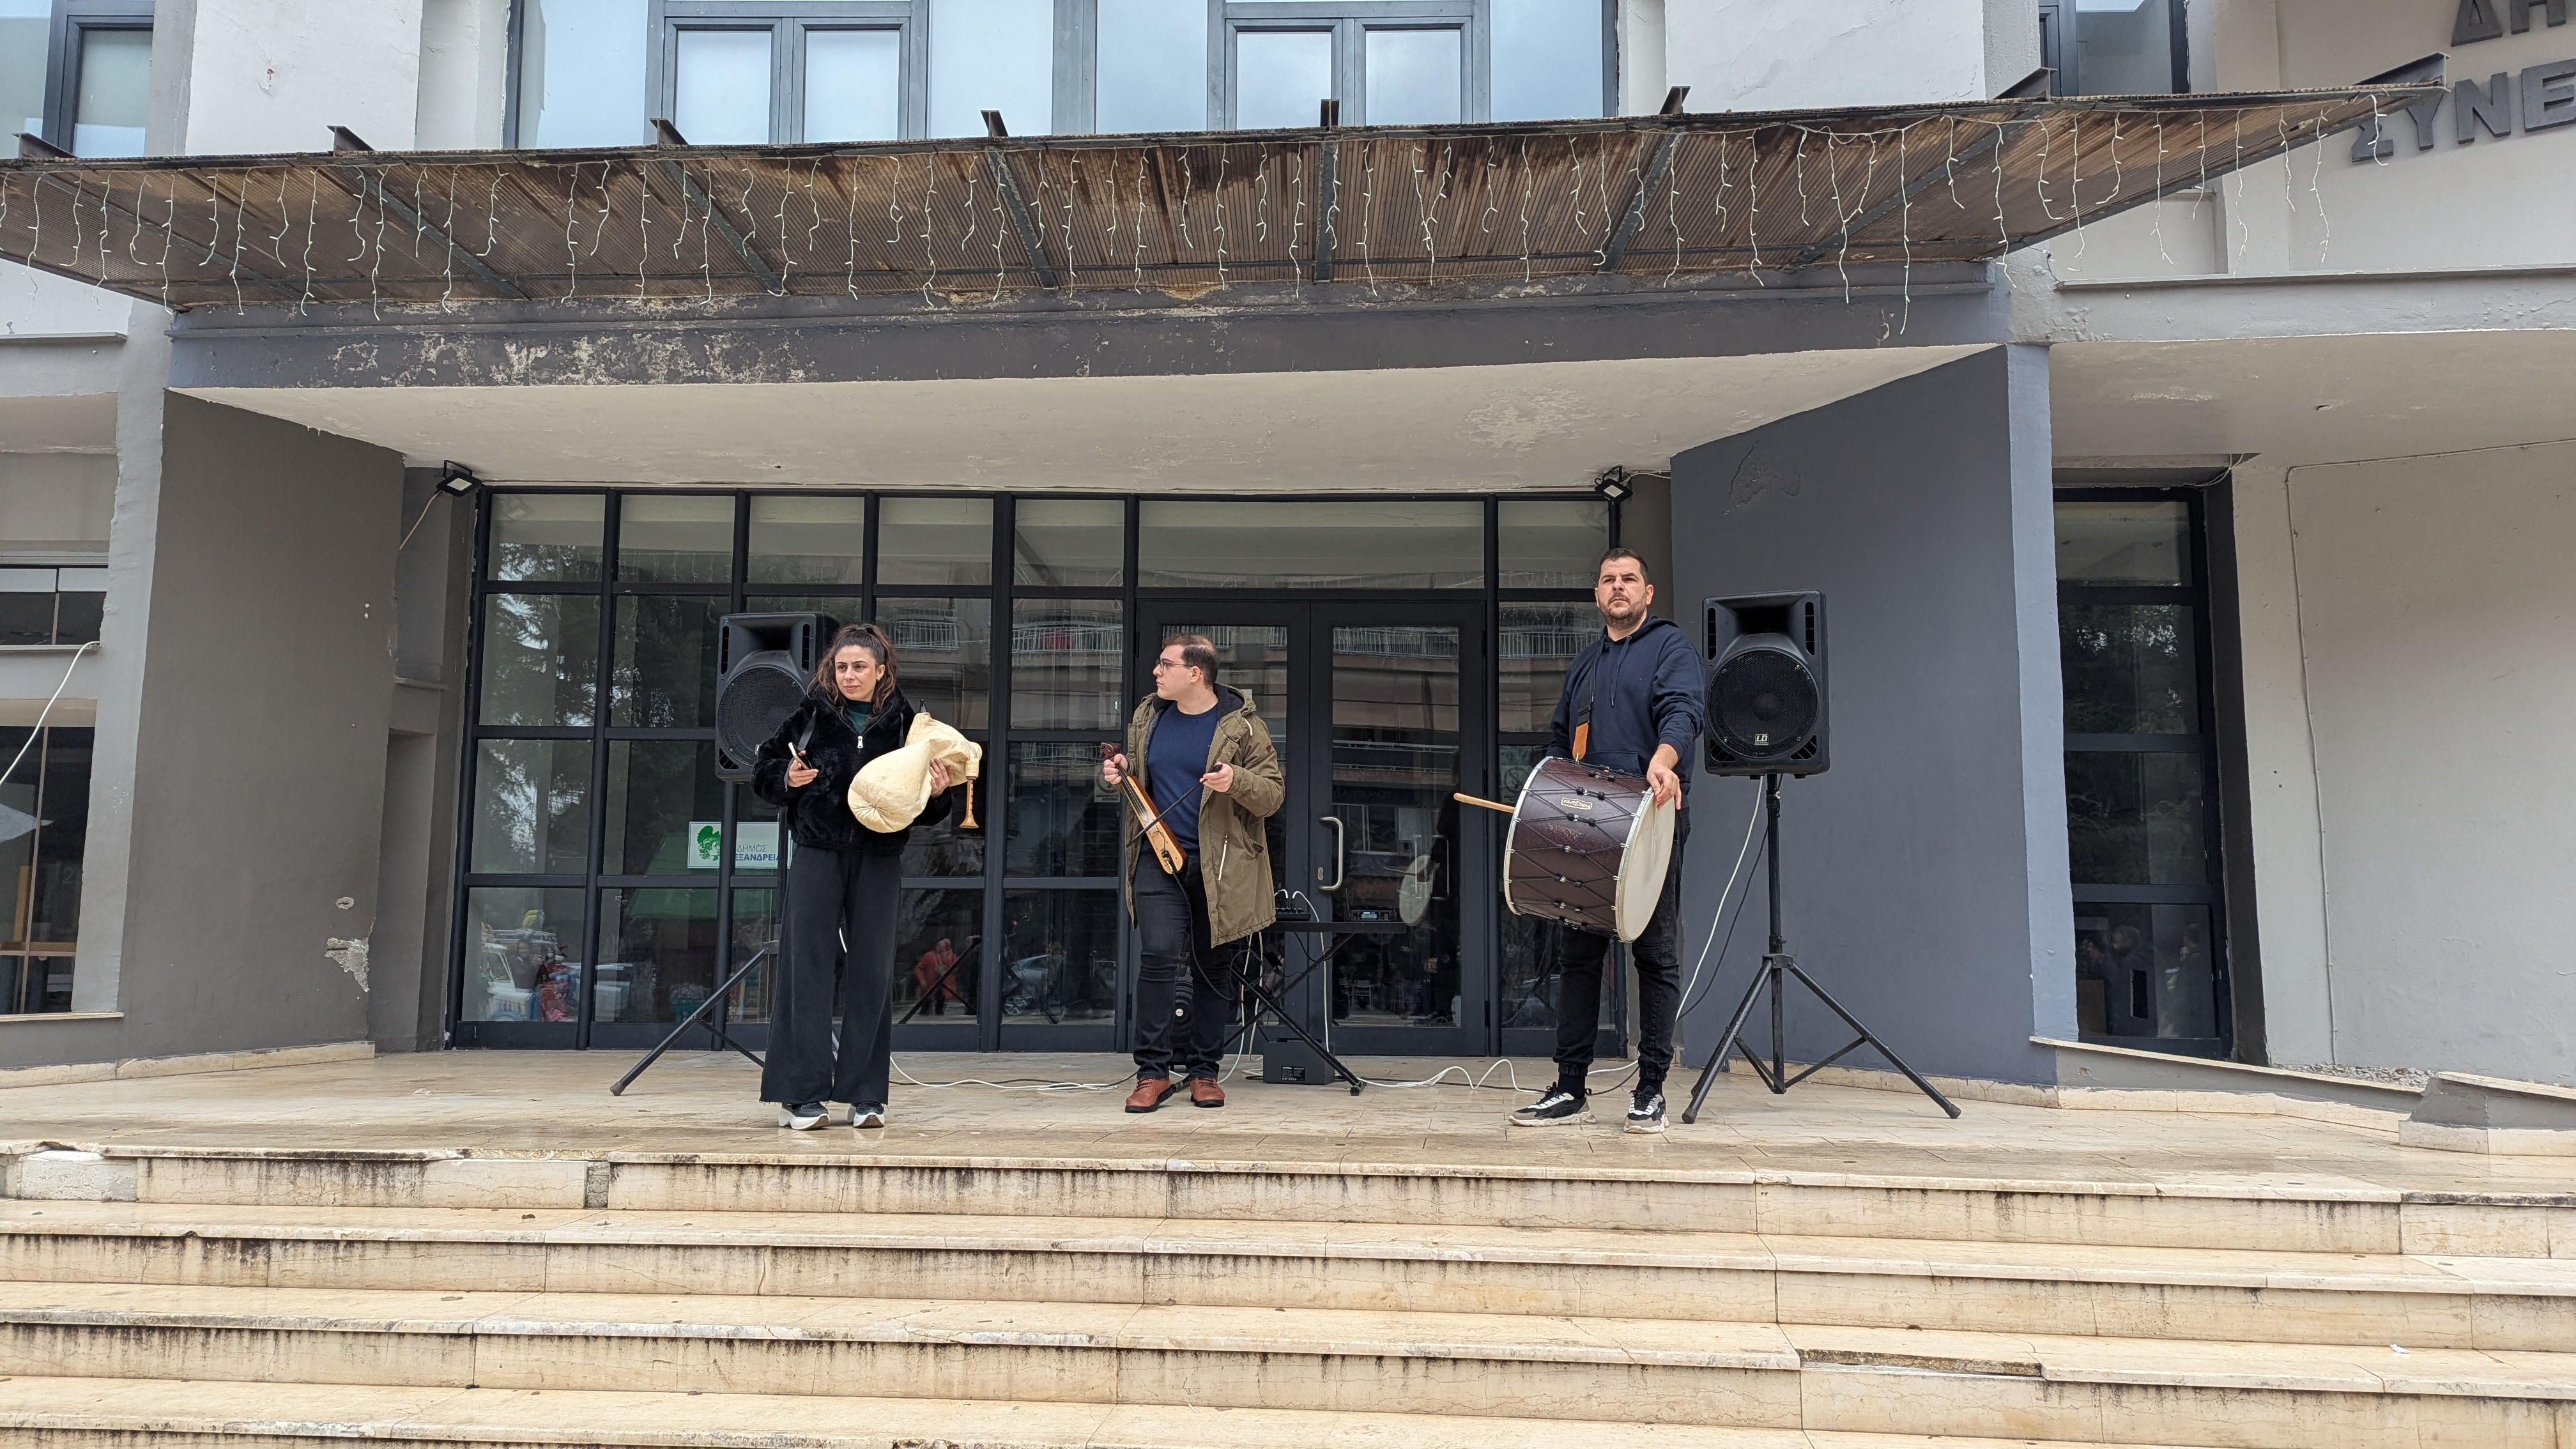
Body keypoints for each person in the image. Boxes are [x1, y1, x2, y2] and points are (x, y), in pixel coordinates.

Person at [1509, 547, 1703, 1135]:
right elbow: (1560, 741)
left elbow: (1684, 712)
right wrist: (1549, 801)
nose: (1618, 587)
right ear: (1597, 595)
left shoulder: (1670, 648)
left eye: (1629, 579)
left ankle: (1650, 1091)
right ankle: (1571, 1088)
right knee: (1580, 958)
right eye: (1608, 580)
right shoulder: (1585, 665)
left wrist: (1664, 762)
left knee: (1655, 954)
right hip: (1587, 829)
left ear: (1647, 592)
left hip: (1651, 823)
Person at [751, 622, 956, 1131]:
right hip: (817, 852)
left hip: (880, 855)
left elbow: (927, 808)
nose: (849, 675)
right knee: (806, 971)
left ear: (881, 670)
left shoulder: (909, 725)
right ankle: (801, 1096)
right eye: (842, 667)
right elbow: (764, 771)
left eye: (859, 667)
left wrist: (938, 794)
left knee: (872, 973)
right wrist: (786, 777)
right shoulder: (810, 715)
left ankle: (866, 1096)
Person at [1101, 633, 1284, 1112]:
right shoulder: (1148, 717)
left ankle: (1205, 1072)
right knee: (1159, 955)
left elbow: (1272, 795)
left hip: (1220, 866)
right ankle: (1152, 1073)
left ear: (1195, 673)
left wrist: (1235, 780)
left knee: (1212, 967)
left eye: (1166, 665)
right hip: (1158, 857)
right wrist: (1119, 774)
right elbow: (1139, 777)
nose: (1157, 672)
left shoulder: (1244, 726)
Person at [912, 937, 960, 1016]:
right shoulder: (929, 956)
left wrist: (949, 958)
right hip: (931, 985)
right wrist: (922, 980)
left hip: (944, 986)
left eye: (944, 945)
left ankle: (939, 1017)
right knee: (926, 1005)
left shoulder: (951, 956)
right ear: (935, 946)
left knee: (941, 1005)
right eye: (939, 945)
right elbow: (918, 968)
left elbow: (954, 968)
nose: (941, 947)